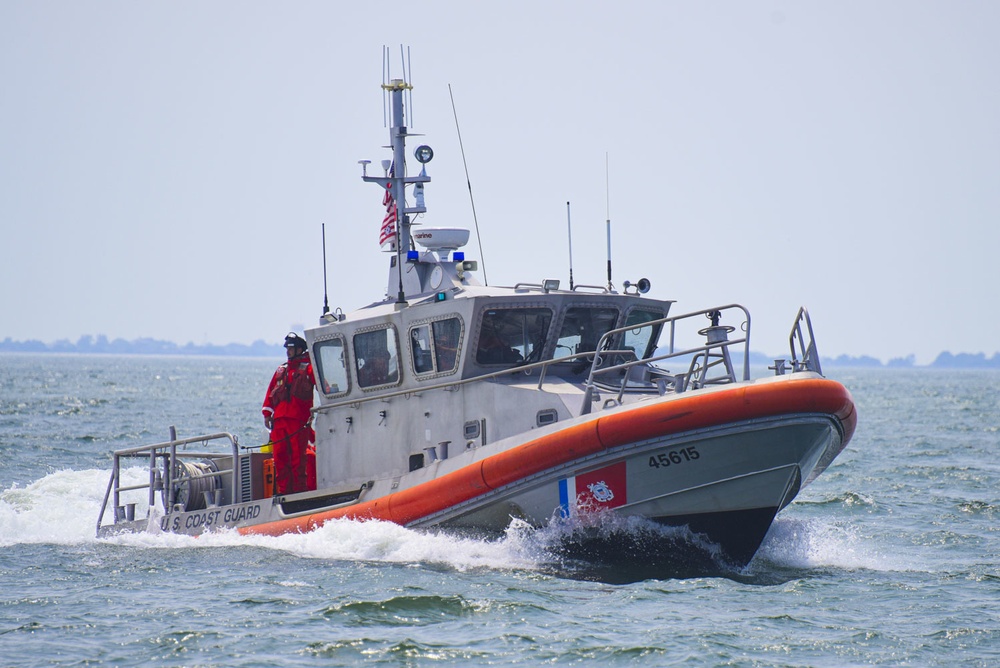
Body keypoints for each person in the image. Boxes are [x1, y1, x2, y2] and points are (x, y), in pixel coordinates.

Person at [262, 332, 315, 494]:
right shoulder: (282, 370)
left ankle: (299, 492)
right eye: (287, 348)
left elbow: (322, 386)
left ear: (300, 349)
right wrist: (267, 414)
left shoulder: (309, 368)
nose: (288, 352)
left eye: (291, 348)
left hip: (298, 421)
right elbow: (271, 393)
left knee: (298, 460)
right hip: (279, 422)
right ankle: (284, 492)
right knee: (280, 458)